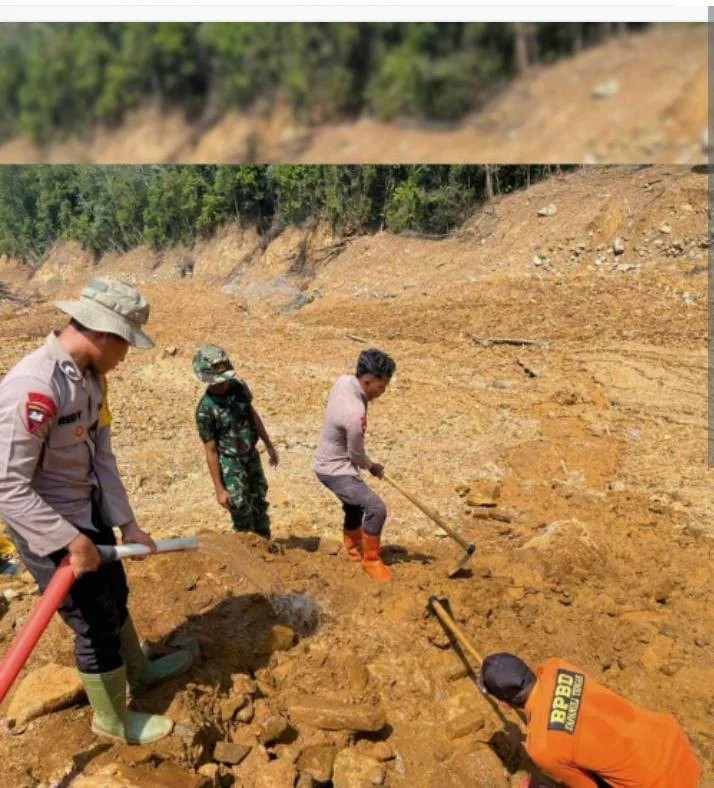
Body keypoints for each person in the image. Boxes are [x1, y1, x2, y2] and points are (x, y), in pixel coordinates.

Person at [0, 278, 191, 745]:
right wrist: (70, 541)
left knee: (116, 595)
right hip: (48, 525)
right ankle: (112, 720)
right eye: (126, 344)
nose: (125, 356)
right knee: (93, 623)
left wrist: (127, 523)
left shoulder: (91, 378)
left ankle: (140, 672)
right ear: (106, 333)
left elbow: (102, 456)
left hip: (87, 512)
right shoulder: (34, 387)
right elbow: (7, 486)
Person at [479, 652, 702, 788]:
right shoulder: (556, 667)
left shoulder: (542, 747)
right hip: (674, 743)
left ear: (504, 704)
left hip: (657, 783)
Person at [313, 348, 395, 582]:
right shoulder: (354, 413)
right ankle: (371, 560)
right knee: (376, 508)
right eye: (380, 387)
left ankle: (353, 549)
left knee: (354, 504)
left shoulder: (343, 381)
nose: (382, 392)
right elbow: (356, 454)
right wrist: (373, 466)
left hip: (330, 460)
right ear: (367, 381)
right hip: (333, 470)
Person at [194, 345, 278, 539]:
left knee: (259, 499)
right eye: (218, 381)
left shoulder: (238, 388)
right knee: (239, 506)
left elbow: (252, 415)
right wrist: (219, 489)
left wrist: (269, 445)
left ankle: (265, 542)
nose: (223, 384)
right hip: (230, 463)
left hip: (251, 455)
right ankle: (248, 546)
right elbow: (211, 450)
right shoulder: (205, 410)